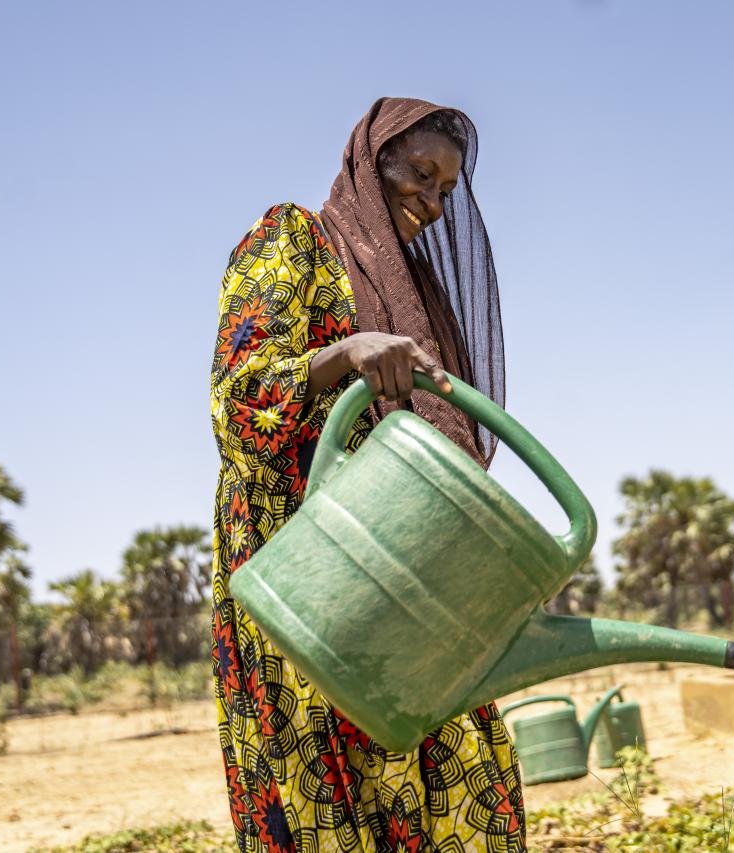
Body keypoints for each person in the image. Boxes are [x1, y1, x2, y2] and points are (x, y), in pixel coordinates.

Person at [209, 98, 522, 853]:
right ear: (369, 162)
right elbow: (239, 395)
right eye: (420, 174)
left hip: (400, 571)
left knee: (462, 782)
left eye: (446, 190)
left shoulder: (416, 299)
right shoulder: (292, 239)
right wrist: (346, 354)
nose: (434, 202)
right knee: (334, 782)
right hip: (305, 567)